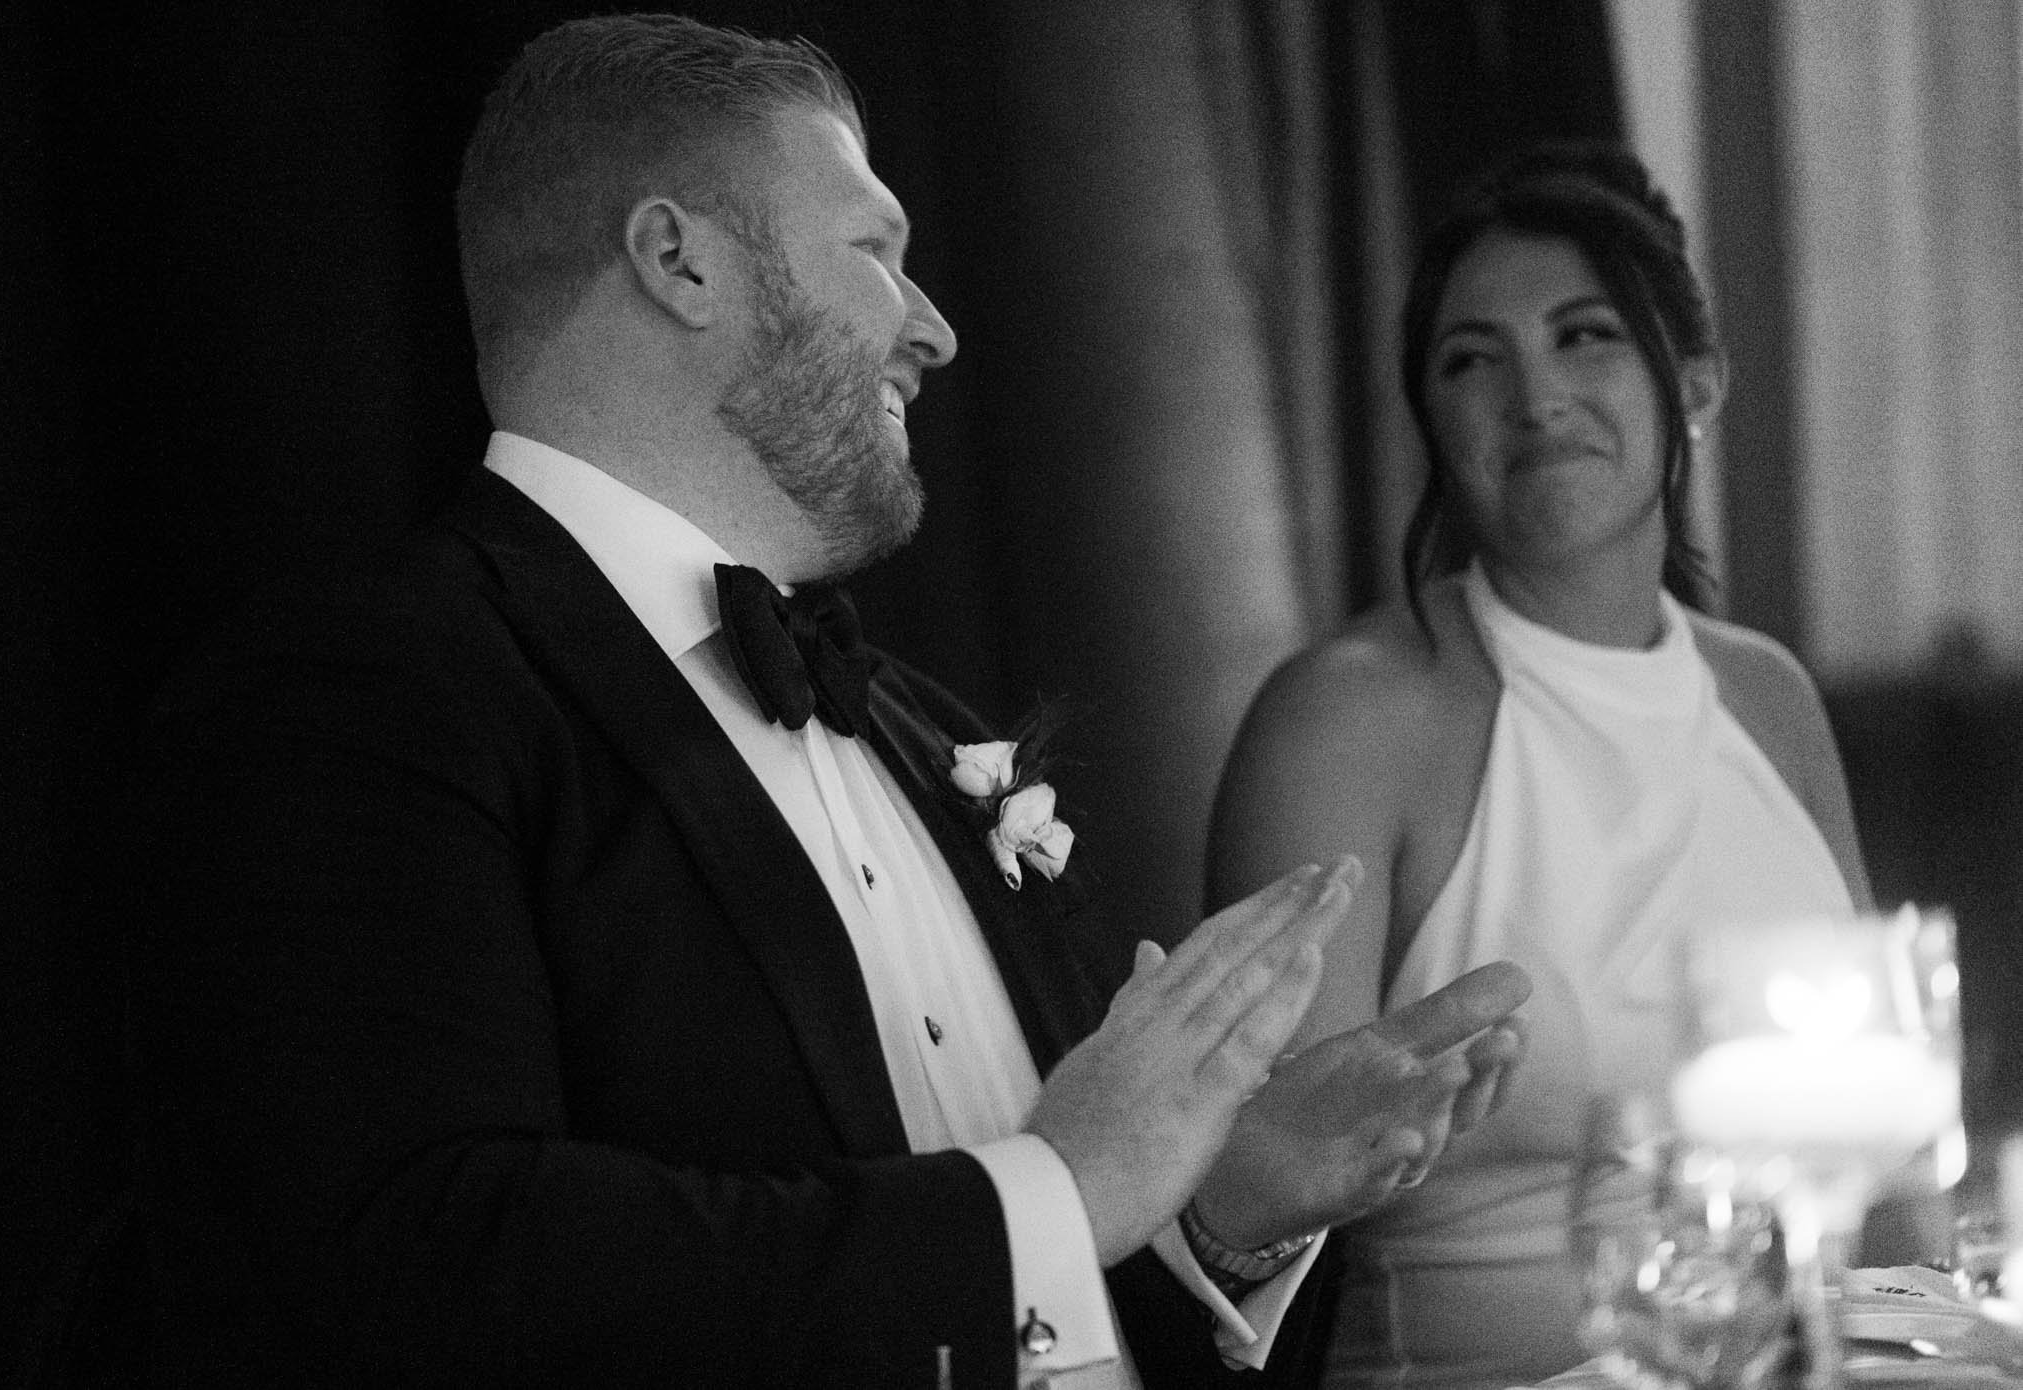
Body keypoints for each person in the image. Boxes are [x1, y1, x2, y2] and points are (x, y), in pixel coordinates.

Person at [129, 15, 1528, 1387]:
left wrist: (1218, 1209)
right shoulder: (369, 690)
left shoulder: (924, 728)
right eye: (874, 251)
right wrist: (1056, 1192)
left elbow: (1038, 1300)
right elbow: (427, 1269)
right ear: (679, 261)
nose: (935, 331)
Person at [1204, 143, 1872, 1390]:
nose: (1534, 395)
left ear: (1695, 384)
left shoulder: (1767, 697)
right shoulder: (1346, 719)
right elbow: (1252, 1198)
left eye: (1584, 337)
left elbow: (1883, 1147)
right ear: (1429, 422)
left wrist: (1946, 1335)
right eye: (1470, 359)